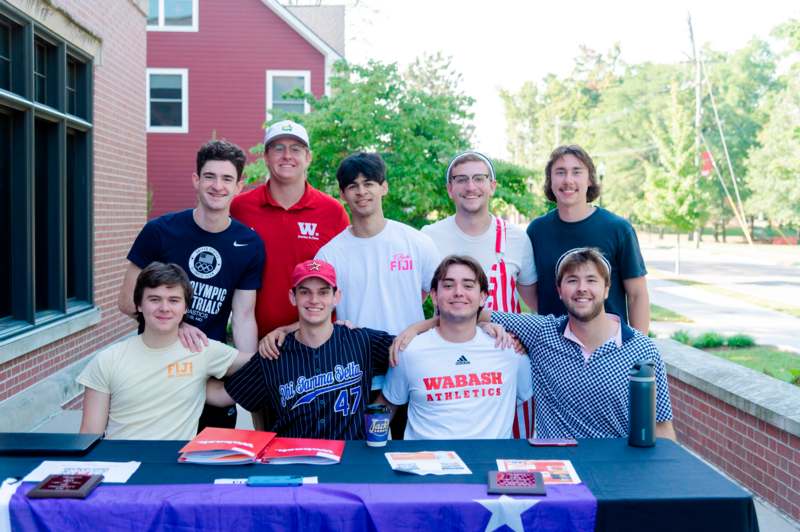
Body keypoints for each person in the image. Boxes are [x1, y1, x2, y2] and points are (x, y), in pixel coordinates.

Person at [117, 139, 265, 429]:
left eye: (227, 179)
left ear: (239, 186)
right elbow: (126, 301)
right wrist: (174, 324)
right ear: (196, 180)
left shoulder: (249, 244)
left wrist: (247, 368)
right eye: (209, 176)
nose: (217, 186)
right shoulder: (159, 231)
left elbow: (244, 316)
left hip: (209, 369)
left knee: (211, 460)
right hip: (156, 365)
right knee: (152, 458)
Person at [489, 247, 675, 440]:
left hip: (617, 464)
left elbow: (661, 427)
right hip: (556, 463)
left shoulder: (643, 350)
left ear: (606, 289)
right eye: (572, 280)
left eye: (591, 280)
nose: (582, 288)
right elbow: (471, 313)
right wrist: (489, 327)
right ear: (559, 291)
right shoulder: (541, 333)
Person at [207, 259, 393, 440]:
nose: (314, 300)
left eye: (323, 292)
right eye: (305, 292)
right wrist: (183, 368)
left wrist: (388, 401)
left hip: (349, 459)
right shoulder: (273, 354)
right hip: (292, 459)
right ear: (292, 297)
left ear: (336, 297)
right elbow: (221, 396)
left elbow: (411, 350)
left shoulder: (362, 341)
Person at [422, 151, 537, 438]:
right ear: (450, 189)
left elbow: (534, 303)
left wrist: (524, 340)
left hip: (506, 357)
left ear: (492, 186)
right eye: (461, 180)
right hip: (449, 363)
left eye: (478, 179)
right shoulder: (429, 237)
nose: (470, 187)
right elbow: (418, 300)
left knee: (513, 445)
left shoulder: (515, 237)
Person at [79, 263, 253, 440]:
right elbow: (89, 436)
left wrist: (280, 334)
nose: (164, 308)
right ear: (139, 305)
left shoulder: (201, 350)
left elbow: (261, 361)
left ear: (185, 307)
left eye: (174, 300)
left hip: (175, 462)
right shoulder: (107, 360)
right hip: (120, 462)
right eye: (154, 299)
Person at [378, 255, 533, 440]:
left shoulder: (509, 350)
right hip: (426, 465)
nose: (458, 292)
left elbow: (531, 398)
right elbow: (386, 406)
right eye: (448, 285)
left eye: (468, 285)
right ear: (434, 296)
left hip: (489, 465)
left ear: (483, 297)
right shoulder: (409, 352)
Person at [230, 120, 349, 341]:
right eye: (278, 148)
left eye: (295, 149)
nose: (287, 155)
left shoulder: (332, 212)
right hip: (255, 342)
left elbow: (345, 280)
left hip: (318, 342)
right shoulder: (240, 208)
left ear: (308, 157)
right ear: (265, 157)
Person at [528, 145, 650, 332]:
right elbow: (533, 292)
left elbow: (637, 295)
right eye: (560, 172)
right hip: (553, 349)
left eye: (576, 172)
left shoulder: (618, 229)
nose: (568, 180)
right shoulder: (536, 231)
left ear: (590, 180)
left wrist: (639, 351)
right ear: (550, 181)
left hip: (610, 348)